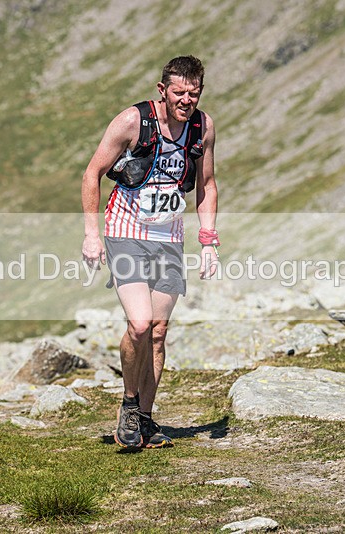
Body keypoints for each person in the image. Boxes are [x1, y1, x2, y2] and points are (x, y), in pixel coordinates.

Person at [81, 55, 220, 450]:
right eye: (179, 93)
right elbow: (92, 173)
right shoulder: (132, 122)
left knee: (158, 333)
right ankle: (128, 404)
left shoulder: (202, 127)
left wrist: (208, 240)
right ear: (163, 90)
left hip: (169, 237)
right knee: (139, 325)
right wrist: (92, 235)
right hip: (126, 230)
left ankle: (144, 418)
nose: (187, 100)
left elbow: (207, 184)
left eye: (194, 94)